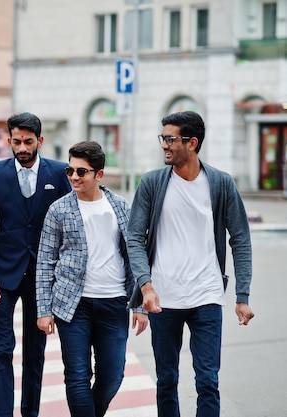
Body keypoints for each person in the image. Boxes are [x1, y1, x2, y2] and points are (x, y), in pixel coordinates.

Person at [127, 111, 255, 417]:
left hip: (206, 295)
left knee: (208, 381)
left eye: (171, 139)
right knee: (166, 380)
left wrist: (242, 295)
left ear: (192, 143)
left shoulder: (221, 184)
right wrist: (146, 286)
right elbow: (134, 237)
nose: (165, 145)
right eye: (164, 138)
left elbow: (240, 239)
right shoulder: (153, 183)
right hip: (162, 298)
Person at [35, 141, 148, 417]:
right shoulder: (58, 210)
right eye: (70, 171)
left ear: (99, 174)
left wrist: (141, 304)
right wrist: (44, 310)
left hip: (114, 301)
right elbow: (45, 261)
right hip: (73, 305)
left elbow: (136, 255)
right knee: (77, 375)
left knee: (113, 374)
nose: (74, 177)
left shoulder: (120, 206)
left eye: (81, 172)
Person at [0, 112, 71, 417]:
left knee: (35, 353)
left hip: (43, 278)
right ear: (9, 140)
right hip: (2, 275)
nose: (22, 148)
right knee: (1, 349)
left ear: (40, 141)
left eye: (28, 141)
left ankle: (30, 413)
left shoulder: (58, 174)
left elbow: (69, 226)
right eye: (16, 141)